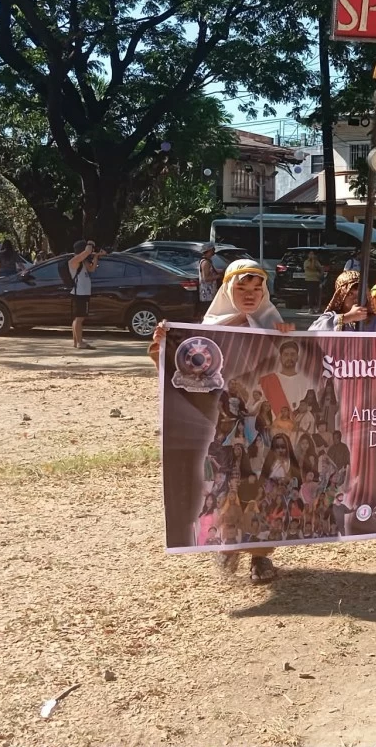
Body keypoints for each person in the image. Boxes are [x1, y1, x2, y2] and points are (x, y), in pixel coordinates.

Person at [149, 259, 291, 584]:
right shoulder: (205, 332)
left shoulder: (274, 325)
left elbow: (281, 374)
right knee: (225, 488)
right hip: (220, 425)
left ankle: (260, 556)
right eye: (242, 286)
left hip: (262, 425)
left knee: (262, 489)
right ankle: (227, 546)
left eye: (257, 288)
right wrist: (162, 345)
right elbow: (178, 371)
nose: (250, 294)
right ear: (228, 287)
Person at [67, 240, 103, 350]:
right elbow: (87, 252)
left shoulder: (83, 262)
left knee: (78, 318)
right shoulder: (74, 260)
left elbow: (92, 269)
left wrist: (96, 256)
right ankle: (80, 342)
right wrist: (91, 243)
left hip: (84, 293)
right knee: (79, 318)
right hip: (79, 293)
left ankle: (76, 342)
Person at [198, 243, 221, 313]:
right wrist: (218, 276)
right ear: (209, 250)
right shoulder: (205, 262)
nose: (214, 251)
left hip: (210, 292)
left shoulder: (208, 261)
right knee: (207, 310)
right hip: (207, 292)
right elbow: (205, 278)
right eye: (213, 250)